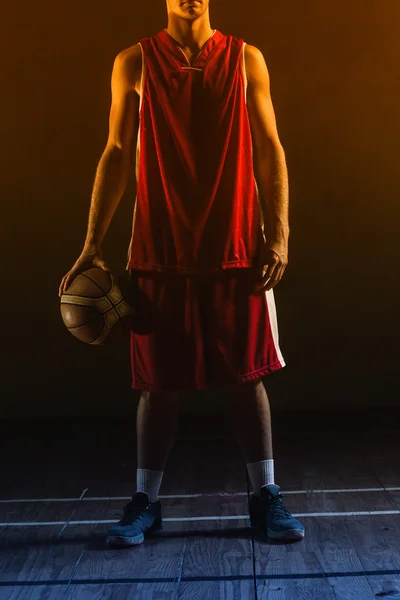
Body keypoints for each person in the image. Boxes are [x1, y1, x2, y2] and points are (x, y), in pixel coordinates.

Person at [59, 0, 305, 547]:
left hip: (236, 245)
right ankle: (146, 501)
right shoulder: (134, 61)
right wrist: (92, 243)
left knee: (248, 379)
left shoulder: (246, 59)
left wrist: (279, 233)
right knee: (158, 386)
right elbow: (118, 150)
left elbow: (269, 145)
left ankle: (265, 494)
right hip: (158, 248)